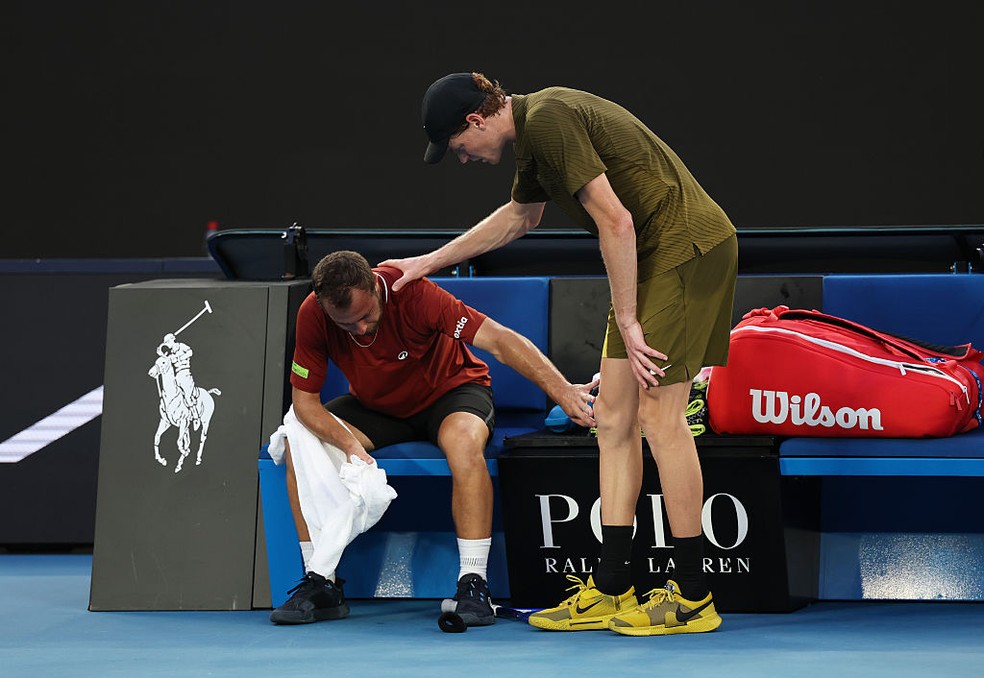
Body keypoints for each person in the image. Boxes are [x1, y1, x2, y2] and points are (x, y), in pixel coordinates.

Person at [381, 72, 738, 636]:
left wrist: (626, 316)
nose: (465, 159)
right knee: (614, 421)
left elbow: (615, 220)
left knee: (658, 417)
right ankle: (615, 587)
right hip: (652, 258)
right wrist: (427, 262)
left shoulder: (547, 119)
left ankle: (694, 595)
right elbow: (521, 217)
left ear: (475, 121)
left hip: (686, 249)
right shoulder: (533, 133)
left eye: (459, 148)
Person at [270, 249, 596, 626]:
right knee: (299, 439)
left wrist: (563, 391)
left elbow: (500, 341)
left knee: (463, 442)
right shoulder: (314, 313)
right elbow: (305, 403)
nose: (360, 330)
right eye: (347, 325)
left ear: (375, 288)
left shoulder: (413, 293)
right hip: (378, 407)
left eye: (365, 317)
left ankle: (473, 582)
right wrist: (348, 444)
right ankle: (320, 580)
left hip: (452, 394)